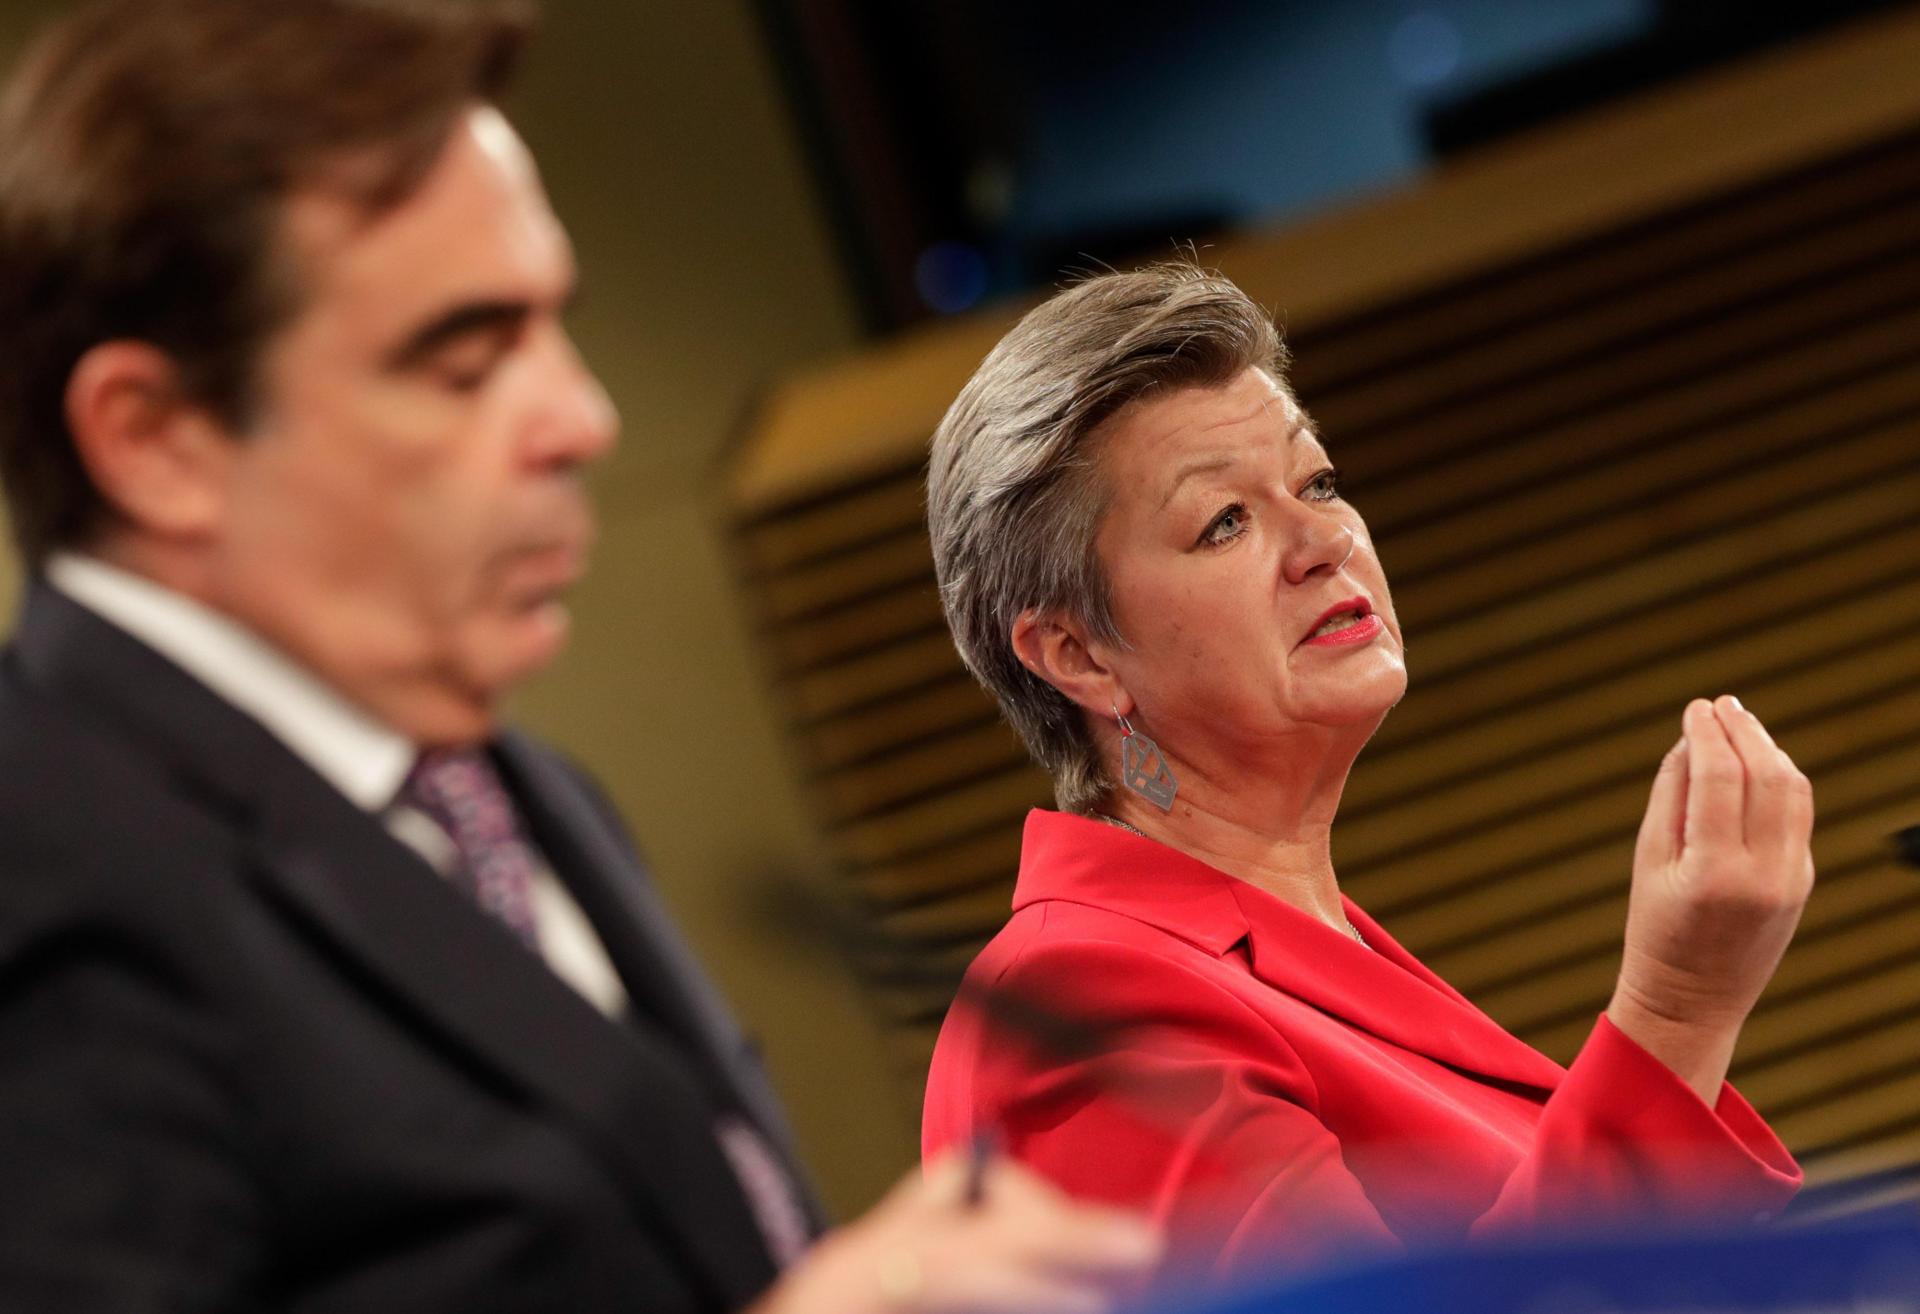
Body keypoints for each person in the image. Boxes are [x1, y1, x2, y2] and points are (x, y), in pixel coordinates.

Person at [0, 2, 1160, 1311]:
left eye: (554, 327)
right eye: (465, 358)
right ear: (156, 438)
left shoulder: (505, 784)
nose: (580, 417)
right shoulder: (40, 875)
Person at [921, 263, 1812, 1283]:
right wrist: (1675, 1012)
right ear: (1078, 655)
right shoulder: (1080, 1007)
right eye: (1225, 521)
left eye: (1317, 484)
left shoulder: (1295, 956)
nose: (1326, 542)